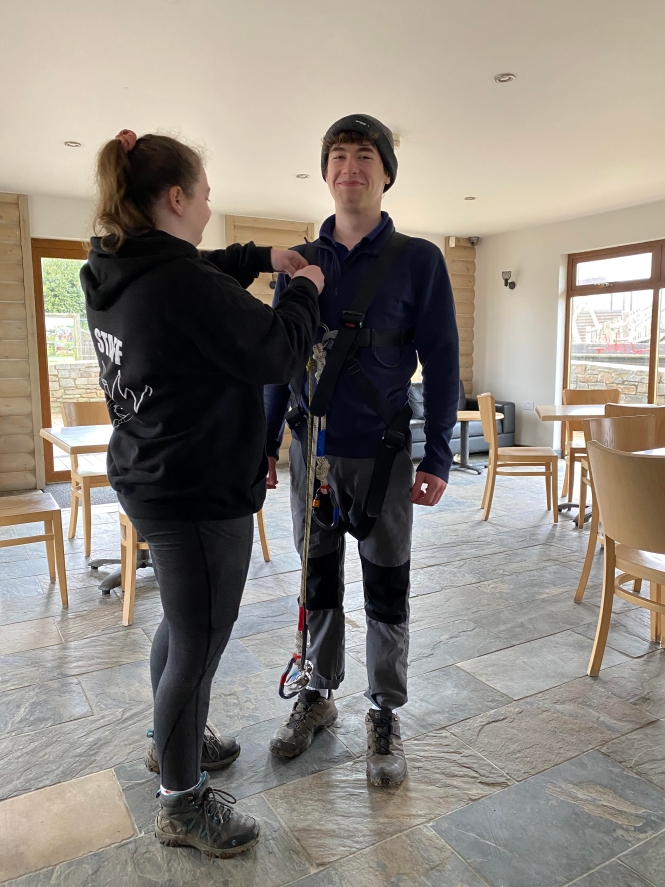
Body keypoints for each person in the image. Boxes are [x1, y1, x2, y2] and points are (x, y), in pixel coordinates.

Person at [82, 129, 322, 856]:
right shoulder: (180, 285)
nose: (212, 205)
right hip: (195, 489)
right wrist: (304, 289)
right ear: (178, 197)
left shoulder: (113, 266)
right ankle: (182, 803)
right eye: (207, 193)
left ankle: (169, 741)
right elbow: (277, 346)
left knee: (182, 627)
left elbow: (197, 268)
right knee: (200, 642)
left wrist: (258, 257)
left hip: (150, 476)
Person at [264, 114, 459, 786]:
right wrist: (265, 444)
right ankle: (316, 694)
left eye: (364, 155)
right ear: (324, 173)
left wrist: (436, 455)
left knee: (386, 588)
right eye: (337, 156)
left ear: (384, 174)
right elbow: (275, 361)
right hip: (309, 454)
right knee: (316, 585)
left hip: (382, 457)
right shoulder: (297, 261)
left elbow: (441, 361)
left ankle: (383, 707)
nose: (349, 167)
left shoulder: (419, 260)